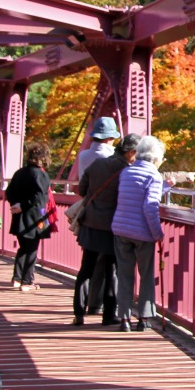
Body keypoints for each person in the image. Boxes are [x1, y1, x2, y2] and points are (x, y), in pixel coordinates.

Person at [72, 132, 140, 326]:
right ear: (130, 153)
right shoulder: (126, 171)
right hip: (112, 226)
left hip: (91, 223)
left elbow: (82, 190)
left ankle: (78, 312)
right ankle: (109, 314)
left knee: (86, 268)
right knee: (112, 270)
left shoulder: (97, 164)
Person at [110, 135, 169, 333]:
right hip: (142, 233)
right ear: (156, 157)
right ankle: (144, 317)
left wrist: (167, 185)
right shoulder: (154, 176)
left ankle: (124, 318)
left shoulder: (126, 173)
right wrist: (157, 233)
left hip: (121, 229)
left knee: (124, 275)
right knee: (146, 275)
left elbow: (137, 194)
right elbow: (150, 207)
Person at [77, 116, 121, 314]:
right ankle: (106, 309)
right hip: (110, 218)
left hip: (89, 215)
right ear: (111, 137)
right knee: (109, 266)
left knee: (87, 266)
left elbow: (82, 188)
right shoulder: (113, 159)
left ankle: (81, 309)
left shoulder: (84, 156)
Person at [4, 143, 53, 291]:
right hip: (34, 218)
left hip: (20, 217)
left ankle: (17, 278)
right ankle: (27, 281)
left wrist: (17, 205)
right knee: (32, 249)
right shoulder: (40, 174)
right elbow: (39, 198)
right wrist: (24, 206)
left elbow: (9, 192)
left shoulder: (19, 173)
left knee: (23, 248)